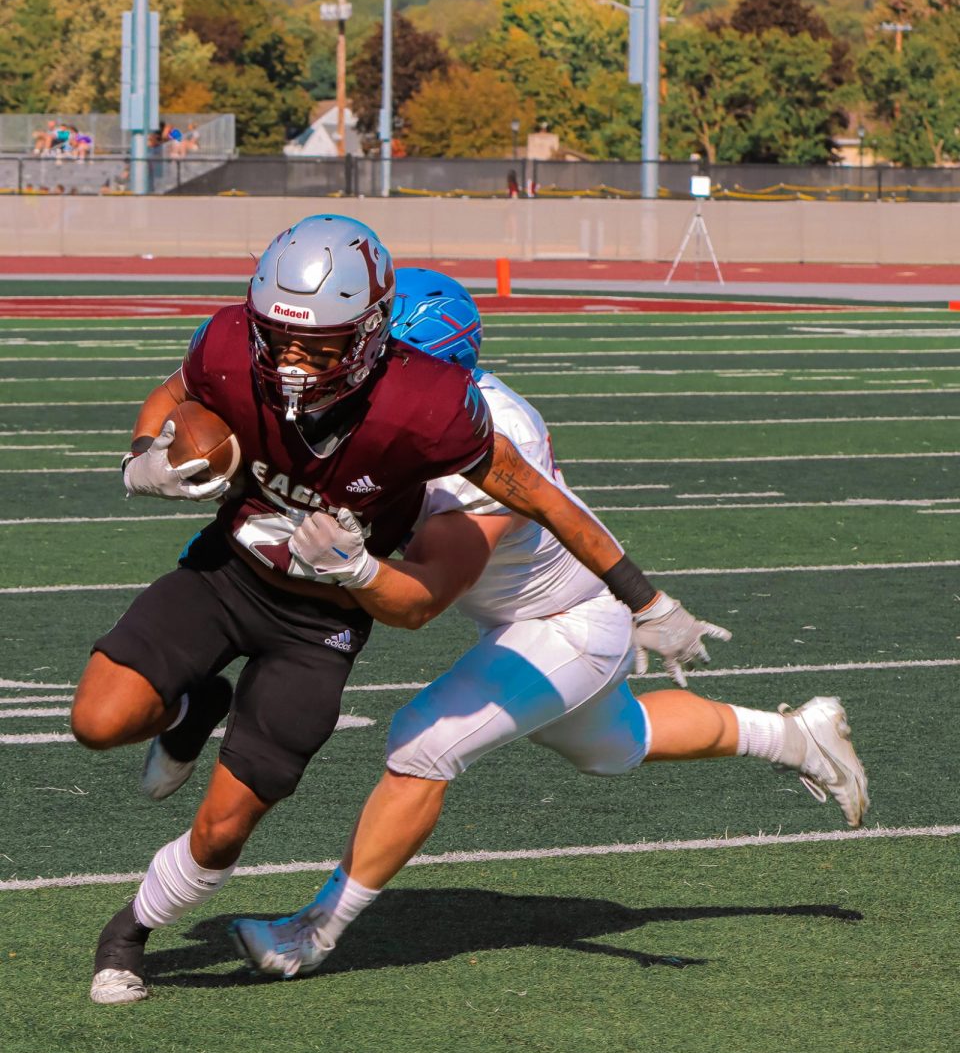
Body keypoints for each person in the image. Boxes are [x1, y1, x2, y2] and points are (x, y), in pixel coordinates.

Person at [73, 218, 727, 1005]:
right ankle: (191, 703)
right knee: (97, 723)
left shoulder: (434, 413)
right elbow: (179, 396)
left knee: (223, 827)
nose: (286, 362)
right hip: (225, 574)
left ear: (373, 339)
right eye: (275, 336)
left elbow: (451, 575)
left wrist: (355, 566)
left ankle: (130, 932)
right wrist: (145, 453)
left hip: (320, 625)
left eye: (315, 345)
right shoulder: (228, 342)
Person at [228, 268, 870, 980]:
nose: (360, 370)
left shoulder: (491, 436)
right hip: (527, 620)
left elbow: (433, 586)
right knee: (617, 745)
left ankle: (314, 932)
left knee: (423, 744)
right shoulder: (412, 405)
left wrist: (355, 567)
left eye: (382, 356)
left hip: (568, 623)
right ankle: (793, 736)